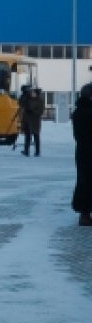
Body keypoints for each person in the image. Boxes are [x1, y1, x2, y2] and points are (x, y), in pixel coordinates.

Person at [71, 83, 92, 226]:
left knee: (85, 182)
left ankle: (85, 213)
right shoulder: (86, 112)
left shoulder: (79, 111)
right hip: (88, 152)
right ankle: (85, 214)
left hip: (83, 151)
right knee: (87, 183)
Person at [18, 85, 45, 156]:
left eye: (33, 92)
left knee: (36, 136)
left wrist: (32, 111)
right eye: (31, 92)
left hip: (35, 121)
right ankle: (26, 151)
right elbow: (21, 103)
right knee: (27, 136)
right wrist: (24, 95)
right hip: (27, 121)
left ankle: (37, 151)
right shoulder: (27, 99)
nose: (31, 94)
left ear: (36, 94)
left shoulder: (39, 101)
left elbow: (40, 111)